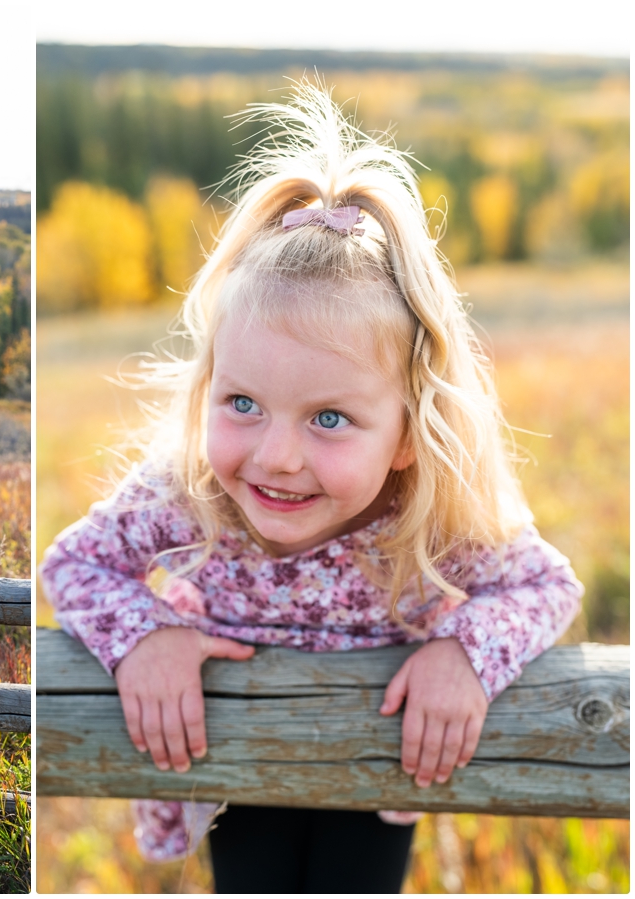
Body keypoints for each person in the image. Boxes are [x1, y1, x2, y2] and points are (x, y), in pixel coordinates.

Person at [37, 83, 582, 893]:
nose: (277, 456)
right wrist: (145, 635)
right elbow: (71, 564)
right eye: (244, 404)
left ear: (408, 433)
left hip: (376, 772)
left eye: (329, 417)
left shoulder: (427, 518)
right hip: (232, 766)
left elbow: (547, 583)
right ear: (208, 388)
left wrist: (463, 653)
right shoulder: (190, 492)